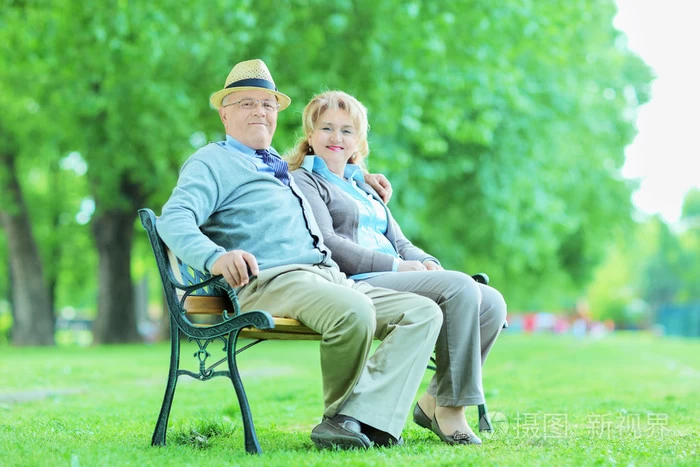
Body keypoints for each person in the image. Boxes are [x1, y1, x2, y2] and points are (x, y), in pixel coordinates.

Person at [156, 60, 443, 450]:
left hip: (325, 277)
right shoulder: (213, 161)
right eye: (246, 104)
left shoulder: (278, 166)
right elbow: (173, 219)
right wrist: (214, 257)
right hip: (271, 281)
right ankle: (343, 419)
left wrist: (361, 178)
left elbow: (326, 171)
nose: (260, 111)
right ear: (224, 113)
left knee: (424, 313)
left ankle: (356, 419)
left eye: (268, 105)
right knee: (353, 311)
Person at [287, 90, 507, 446]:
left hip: (397, 272)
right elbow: (328, 243)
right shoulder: (305, 181)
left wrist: (429, 263)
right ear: (310, 135)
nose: (336, 138)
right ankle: (452, 411)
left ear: (358, 140)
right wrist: (399, 265)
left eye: (346, 130)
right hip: (359, 280)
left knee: (492, 301)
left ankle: (433, 400)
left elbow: (400, 241)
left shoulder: (365, 187)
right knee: (461, 288)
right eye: (326, 128)